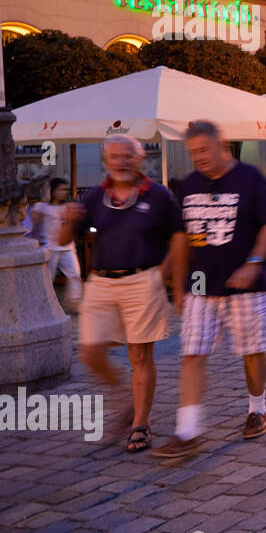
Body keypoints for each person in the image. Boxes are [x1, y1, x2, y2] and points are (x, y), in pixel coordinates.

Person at [152, 121, 266, 459]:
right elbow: (181, 237)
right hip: (201, 287)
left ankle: (257, 408)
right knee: (193, 353)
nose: (198, 158)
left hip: (247, 288)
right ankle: (188, 432)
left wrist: (253, 262)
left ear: (221, 145)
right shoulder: (189, 185)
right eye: (193, 152)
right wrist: (178, 285)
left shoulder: (250, 178)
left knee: (251, 350)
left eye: (203, 150)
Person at [59, 135, 185, 454]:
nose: (121, 161)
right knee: (90, 352)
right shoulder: (94, 196)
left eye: (128, 155)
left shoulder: (158, 195)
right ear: (106, 161)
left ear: (140, 159)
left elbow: (179, 237)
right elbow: (64, 238)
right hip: (101, 282)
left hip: (143, 279)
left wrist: (166, 275)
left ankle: (140, 422)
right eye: (114, 156)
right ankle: (126, 402)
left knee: (140, 355)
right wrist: (67, 220)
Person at [32, 177, 83, 308]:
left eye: (66, 189)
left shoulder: (68, 207)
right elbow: (34, 226)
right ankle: (44, 304)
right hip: (50, 248)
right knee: (48, 278)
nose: (64, 192)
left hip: (67, 247)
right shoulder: (42, 207)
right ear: (53, 191)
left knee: (75, 275)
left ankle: (75, 303)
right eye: (61, 189)